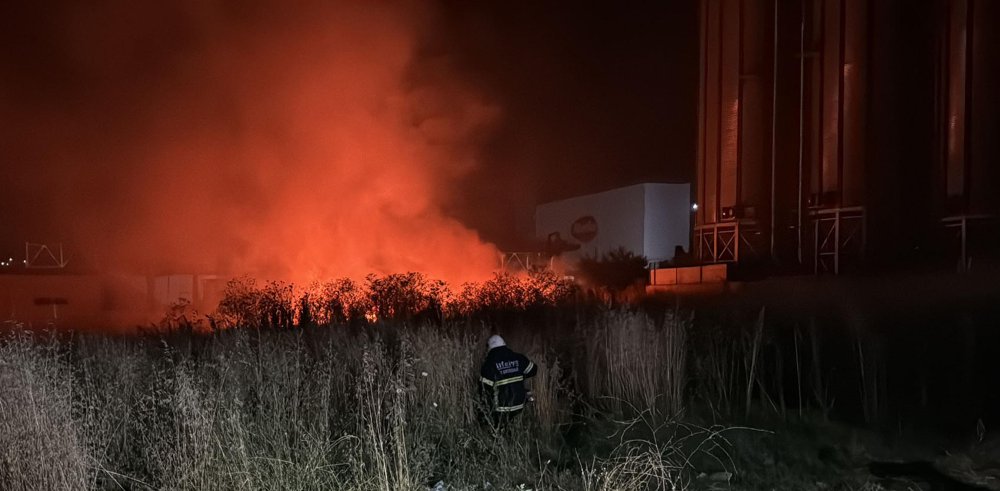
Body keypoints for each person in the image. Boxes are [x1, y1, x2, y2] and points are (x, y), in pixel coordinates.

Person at [479, 334, 537, 428]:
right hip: (520, 405)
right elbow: (534, 370)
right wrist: (518, 373)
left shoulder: (489, 364)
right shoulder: (519, 358)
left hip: (502, 409)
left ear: (489, 348)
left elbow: (484, 389)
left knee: (501, 430)